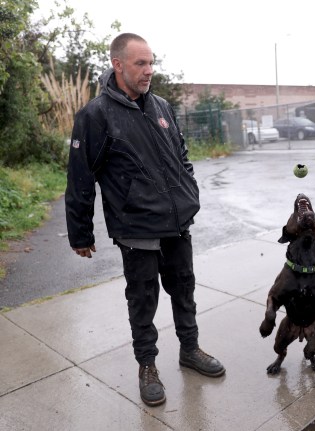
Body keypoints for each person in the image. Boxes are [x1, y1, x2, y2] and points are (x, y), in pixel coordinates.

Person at [65, 33, 225, 407]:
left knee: (184, 289)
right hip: (136, 228)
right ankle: (147, 366)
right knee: (143, 300)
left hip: (177, 223)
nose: (149, 71)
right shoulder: (96, 115)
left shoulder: (162, 107)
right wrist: (80, 232)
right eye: (140, 63)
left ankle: (190, 349)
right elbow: (80, 177)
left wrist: (189, 192)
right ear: (117, 64)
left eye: (151, 63)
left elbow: (181, 154)